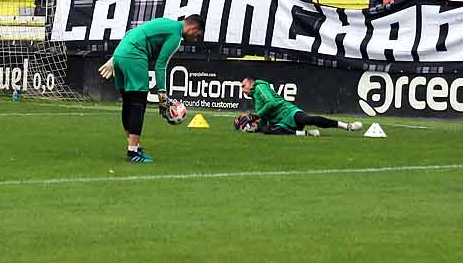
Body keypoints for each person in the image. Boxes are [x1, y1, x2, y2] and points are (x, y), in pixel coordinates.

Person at [98, 14, 205, 162]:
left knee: (128, 104)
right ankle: (133, 153)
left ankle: (133, 146)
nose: (195, 39)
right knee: (138, 105)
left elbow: (131, 33)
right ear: (193, 28)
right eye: (197, 35)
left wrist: (116, 57)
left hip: (120, 53)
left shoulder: (165, 22)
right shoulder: (175, 35)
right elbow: (161, 65)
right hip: (134, 55)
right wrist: (162, 95)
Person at [234, 77, 364, 135]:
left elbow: (272, 103)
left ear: (251, 84)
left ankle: (347, 126)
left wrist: (259, 115)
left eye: (243, 86)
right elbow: (265, 113)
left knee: (308, 120)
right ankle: (305, 133)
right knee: (266, 130)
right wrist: (256, 125)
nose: (242, 89)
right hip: (280, 122)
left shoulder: (259, 87)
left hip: (288, 112)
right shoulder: (255, 97)